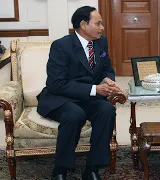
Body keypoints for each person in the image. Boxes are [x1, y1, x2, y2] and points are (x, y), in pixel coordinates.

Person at [37, 6, 122, 180]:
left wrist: (108, 79)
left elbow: (106, 67)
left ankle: (92, 168)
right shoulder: (61, 46)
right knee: (75, 114)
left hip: (87, 96)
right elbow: (56, 83)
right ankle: (60, 169)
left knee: (106, 110)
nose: (102, 28)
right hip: (60, 97)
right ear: (83, 24)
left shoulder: (101, 42)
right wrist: (94, 89)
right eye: (98, 23)